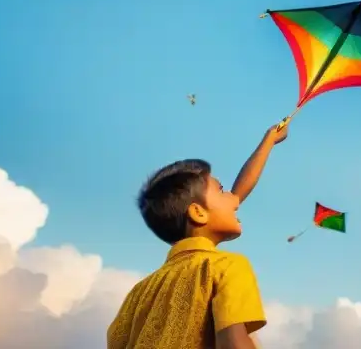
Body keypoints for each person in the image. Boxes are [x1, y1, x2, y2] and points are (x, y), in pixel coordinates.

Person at [107, 122, 289, 349]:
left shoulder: (138, 293)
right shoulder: (227, 267)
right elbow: (233, 343)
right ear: (198, 213)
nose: (234, 199)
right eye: (221, 191)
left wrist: (268, 142)